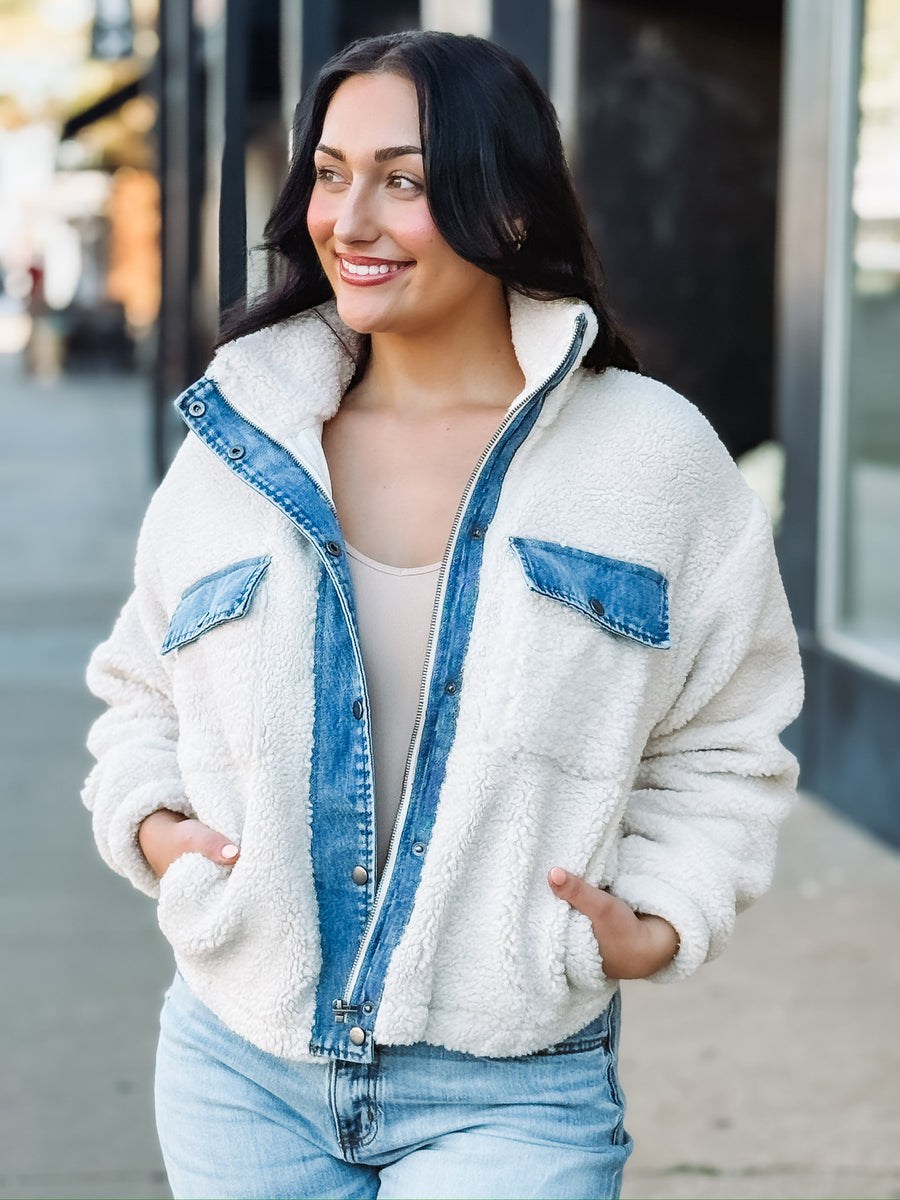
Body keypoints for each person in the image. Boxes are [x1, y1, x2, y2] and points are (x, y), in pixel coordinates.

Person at [82, 30, 803, 1200]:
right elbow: (139, 690)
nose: (348, 219)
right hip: (239, 1065)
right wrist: (164, 836)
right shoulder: (242, 438)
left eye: (403, 182)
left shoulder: (652, 459)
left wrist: (658, 922)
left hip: (510, 1086)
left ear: (508, 209)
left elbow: (726, 734)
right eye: (330, 172)